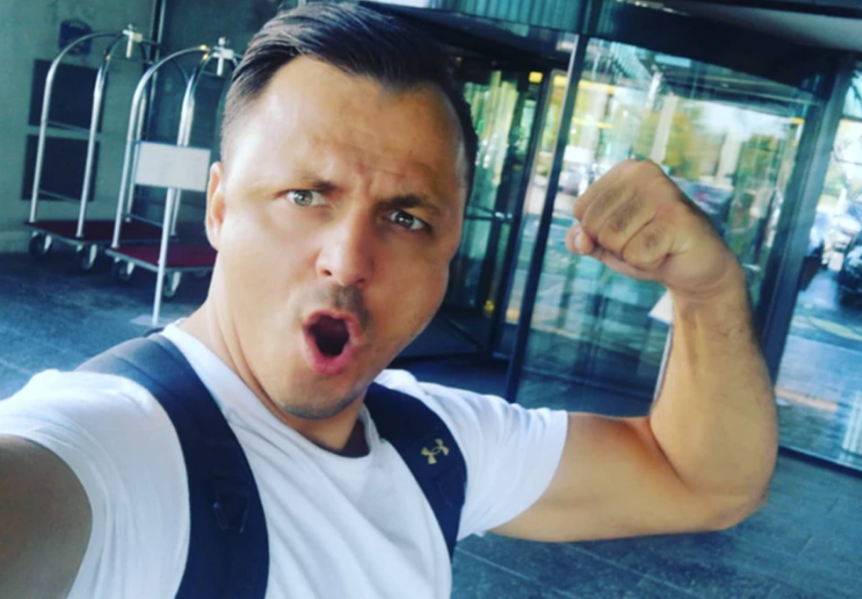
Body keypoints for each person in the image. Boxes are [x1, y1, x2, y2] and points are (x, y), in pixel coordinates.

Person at [0, 3, 777, 598]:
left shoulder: (433, 442)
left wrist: (708, 290)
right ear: (220, 208)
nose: (348, 259)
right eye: (305, 194)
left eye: (407, 218)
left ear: (450, 251)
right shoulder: (111, 445)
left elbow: (701, 479)